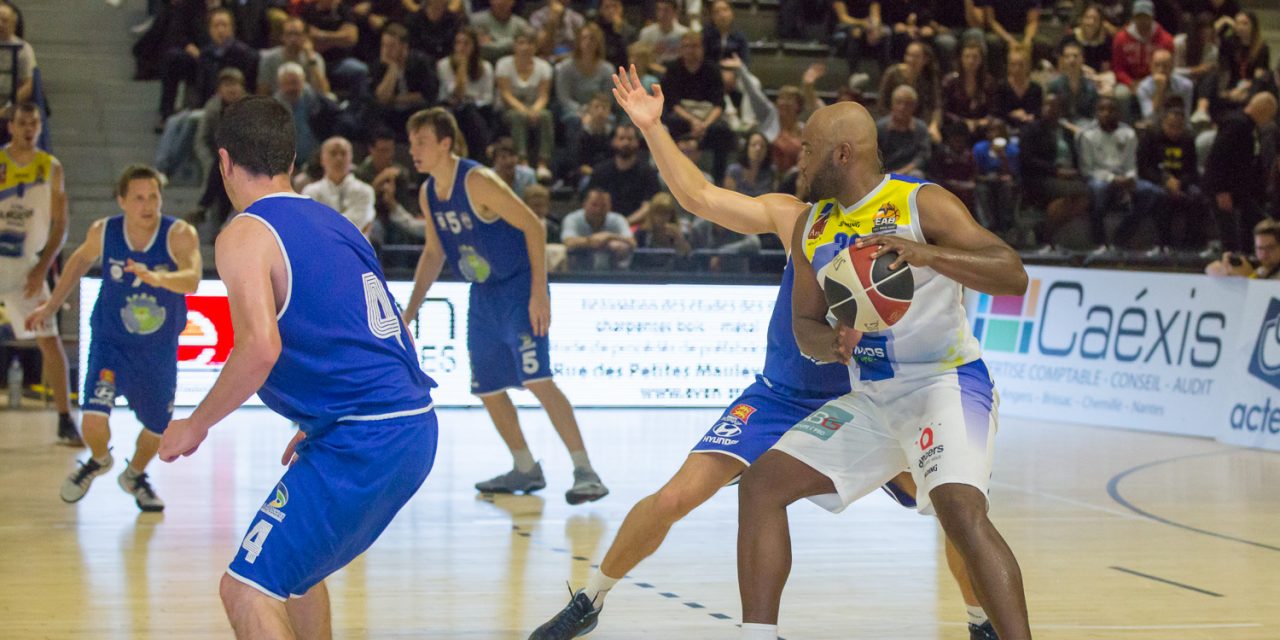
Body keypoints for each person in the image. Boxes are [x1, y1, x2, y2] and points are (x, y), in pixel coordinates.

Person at [530, 65, 1000, 640]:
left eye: (809, 147)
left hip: (863, 397)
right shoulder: (797, 218)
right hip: (780, 395)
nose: (799, 156)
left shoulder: (901, 215)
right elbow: (698, 196)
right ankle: (591, 598)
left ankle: (981, 622)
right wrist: (653, 128)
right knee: (677, 495)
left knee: (949, 510)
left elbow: (983, 270)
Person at [737, 97, 1031, 640]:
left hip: (946, 383)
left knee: (960, 512)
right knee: (760, 485)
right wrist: (834, 345)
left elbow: (1012, 275)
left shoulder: (923, 203)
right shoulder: (812, 226)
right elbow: (805, 323)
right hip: (873, 398)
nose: (797, 160)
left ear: (842, 154)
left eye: (807, 149)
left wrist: (928, 255)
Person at [157, 95, 438, 639]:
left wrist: (196, 423)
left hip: (365, 438)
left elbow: (260, 349)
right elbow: (394, 333)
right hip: (412, 426)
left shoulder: (245, 233)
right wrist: (320, 420)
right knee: (296, 576)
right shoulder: (339, 224)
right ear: (291, 159)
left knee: (244, 588)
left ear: (224, 162)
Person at [403, 107, 609, 504]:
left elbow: (533, 224)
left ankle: (585, 470)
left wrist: (539, 292)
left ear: (445, 144)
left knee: (537, 378)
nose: (413, 150)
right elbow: (433, 253)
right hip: (482, 294)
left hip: (517, 289)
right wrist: (409, 313)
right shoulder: (429, 193)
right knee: (488, 388)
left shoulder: (477, 181)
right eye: (412, 143)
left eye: (421, 142)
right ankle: (525, 467)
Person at [32, 166, 198, 511]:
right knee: (92, 419)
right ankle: (98, 459)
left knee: (156, 430)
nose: (147, 204)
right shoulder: (104, 232)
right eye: (138, 197)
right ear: (122, 201)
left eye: (153, 196)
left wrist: (157, 278)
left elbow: (192, 279)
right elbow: (77, 263)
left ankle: (135, 475)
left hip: (157, 351)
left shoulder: (179, 234)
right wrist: (50, 306)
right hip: (111, 346)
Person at [0, 103, 78, 445]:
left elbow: (61, 224)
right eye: (23, 123)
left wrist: (43, 267)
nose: (29, 128)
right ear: (10, 126)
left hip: (26, 265)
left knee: (49, 339)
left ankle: (64, 420)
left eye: (34, 123)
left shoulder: (51, 167)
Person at [1078, 96, 1156, 253]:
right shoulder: (1087, 135)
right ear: (1096, 113)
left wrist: (1130, 178)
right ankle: (1099, 242)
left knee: (1150, 191)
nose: (1106, 113)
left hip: (1124, 176)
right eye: (1102, 110)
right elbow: (1087, 169)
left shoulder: (1128, 134)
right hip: (1100, 178)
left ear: (1119, 113)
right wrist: (1112, 179)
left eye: (1111, 110)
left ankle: (1122, 237)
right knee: (1099, 189)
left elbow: (1130, 163)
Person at [1203, 92, 1277, 254]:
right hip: (1225, 191)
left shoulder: (1248, 126)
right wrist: (1222, 191)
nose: (1269, 120)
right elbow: (1218, 158)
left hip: (1239, 191)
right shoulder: (1238, 125)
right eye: (1270, 115)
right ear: (1262, 110)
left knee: (1254, 224)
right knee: (1230, 236)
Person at [660, 32, 736, 182]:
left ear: (702, 48)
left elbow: (719, 104)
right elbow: (672, 102)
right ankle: (669, 177)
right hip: (682, 116)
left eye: (694, 46)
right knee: (669, 125)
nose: (690, 50)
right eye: (686, 46)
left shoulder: (712, 69)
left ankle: (718, 180)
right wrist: (692, 121)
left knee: (724, 132)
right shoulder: (673, 69)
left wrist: (705, 124)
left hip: (707, 117)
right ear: (681, 49)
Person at [1019, 94, 1090, 250]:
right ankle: (1045, 234)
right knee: (1082, 192)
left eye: (1054, 105)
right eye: (1046, 105)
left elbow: (1076, 158)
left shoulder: (1067, 133)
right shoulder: (1032, 129)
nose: (1049, 109)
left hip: (1068, 177)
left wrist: (1075, 172)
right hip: (1040, 177)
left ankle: (1043, 234)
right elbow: (1027, 159)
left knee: (1062, 202)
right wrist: (1056, 171)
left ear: (1061, 110)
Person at [1132, 104, 1200, 255]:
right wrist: (1164, 181)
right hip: (1155, 181)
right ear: (1163, 123)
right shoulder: (1150, 137)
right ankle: (1164, 244)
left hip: (1181, 182)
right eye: (1171, 126)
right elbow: (1144, 168)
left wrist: (1180, 182)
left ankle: (1191, 245)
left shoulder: (1188, 140)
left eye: (1179, 127)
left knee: (1196, 196)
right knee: (1161, 197)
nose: (1174, 131)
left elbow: (1193, 171)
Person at [371, 23, 439, 137]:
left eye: (391, 46)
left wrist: (394, 99)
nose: (386, 51)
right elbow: (382, 98)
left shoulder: (420, 62)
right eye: (384, 45)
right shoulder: (379, 65)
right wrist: (392, 68)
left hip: (416, 112)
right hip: (391, 115)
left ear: (404, 47)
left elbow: (426, 95)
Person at [1111, 0, 1174, 119]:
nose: (1143, 22)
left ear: (1152, 17)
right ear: (1133, 18)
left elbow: (1169, 66)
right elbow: (1118, 69)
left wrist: (1154, 81)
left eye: (1146, 18)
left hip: (1156, 79)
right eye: (1139, 18)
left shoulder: (1165, 40)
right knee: (1121, 95)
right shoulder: (1121, 39)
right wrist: (1131, 83)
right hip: (1130, 82)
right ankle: (1127, 128)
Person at [301, 137, 376, 237]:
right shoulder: (309, 192)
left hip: (354, 251)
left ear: (351, 157)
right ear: (322, 159)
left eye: (343, 153)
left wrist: (324, 224)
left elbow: (355, 227)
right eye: (333, 153)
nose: (339, 158)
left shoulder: (365, 191)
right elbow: (310, 226)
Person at [586, 123, 660, 223]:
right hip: (604, 225)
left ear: (637, 142)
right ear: (613, 142)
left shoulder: (648, 173)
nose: (626, 143)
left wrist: (624, 224)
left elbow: (648, 206)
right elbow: (591, 202)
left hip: (636, 226)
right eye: (621, 138)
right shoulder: (600, 171)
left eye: (630, 139)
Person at [561, 187, 636, 271]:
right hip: (578, 272)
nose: (598, 210)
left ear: (610, 206)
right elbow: (568, 242)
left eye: (603, 205)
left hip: (615, 273)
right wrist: (592, 241)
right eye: (594, 205)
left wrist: (608, 236)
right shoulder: (572, 219)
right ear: (584, 204)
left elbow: (632, 242)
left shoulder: (618, 219)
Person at [257, 17, 330, 97]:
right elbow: (262, 92)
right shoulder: (269, 58)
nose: (293, 39)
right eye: (289, 34)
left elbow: (323, 93)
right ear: (282, 37)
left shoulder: (315, 58)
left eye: (297, 34)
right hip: (278, 103)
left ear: (305, 36)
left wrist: (311, 60)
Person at [942, 38, 996, 138]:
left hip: (981, 125)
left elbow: (993, 108)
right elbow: (945, 110)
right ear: (961, 59)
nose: (971, 61)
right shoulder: (950, 81)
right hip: (956, 126)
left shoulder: (988, 82)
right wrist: (964, 122)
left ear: (981, 60)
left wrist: (984, 120)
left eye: (975, 57)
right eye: (967, 57)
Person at [876, 85, 932, 177]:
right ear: (892, 104)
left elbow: (923, 157)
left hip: (910, 173)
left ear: (914, 107)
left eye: (908, 104)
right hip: (884, 174)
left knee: (917, 175)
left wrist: (901, 173)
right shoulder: (880, 128)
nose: (902, 107)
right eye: (898, 102)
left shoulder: (920, 128)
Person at [1047, 41, 1099, 128]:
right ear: (1062, 60)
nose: (1072, 60)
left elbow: (1094, 115)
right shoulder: (1054, 85)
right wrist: (1070, 127)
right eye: (1067, 56)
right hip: (1061, 128)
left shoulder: (1091, 87)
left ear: (1082, 59)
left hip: (1085, 129)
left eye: (1075, 56)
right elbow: (1051, 115)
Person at [1205, 218, 1280, 279]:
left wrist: (1249, 276)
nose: (1264, 254)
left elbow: (1269, 295)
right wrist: (1225, 270)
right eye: (1259, 248)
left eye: (1270, 248)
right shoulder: (1262, 270)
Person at [1137, 48, 1193, 122]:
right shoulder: (1144, 87)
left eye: (1165, 66)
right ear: (1151, 67)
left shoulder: (1186, 85)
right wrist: (1159, 90)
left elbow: (1186, 115)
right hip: (1154, 127)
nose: (1161, 70)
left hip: (1178, 125)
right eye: (1157, 65)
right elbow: (1149, 118)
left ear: (1172, 67)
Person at [636, 0, 688, 69]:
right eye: (659, 10)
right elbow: (641, 59)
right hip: (653, 72)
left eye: (666, 10)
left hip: (678, 71)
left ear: (675, 12)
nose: (661, 14)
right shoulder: (646, 33)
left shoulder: (684, 33)